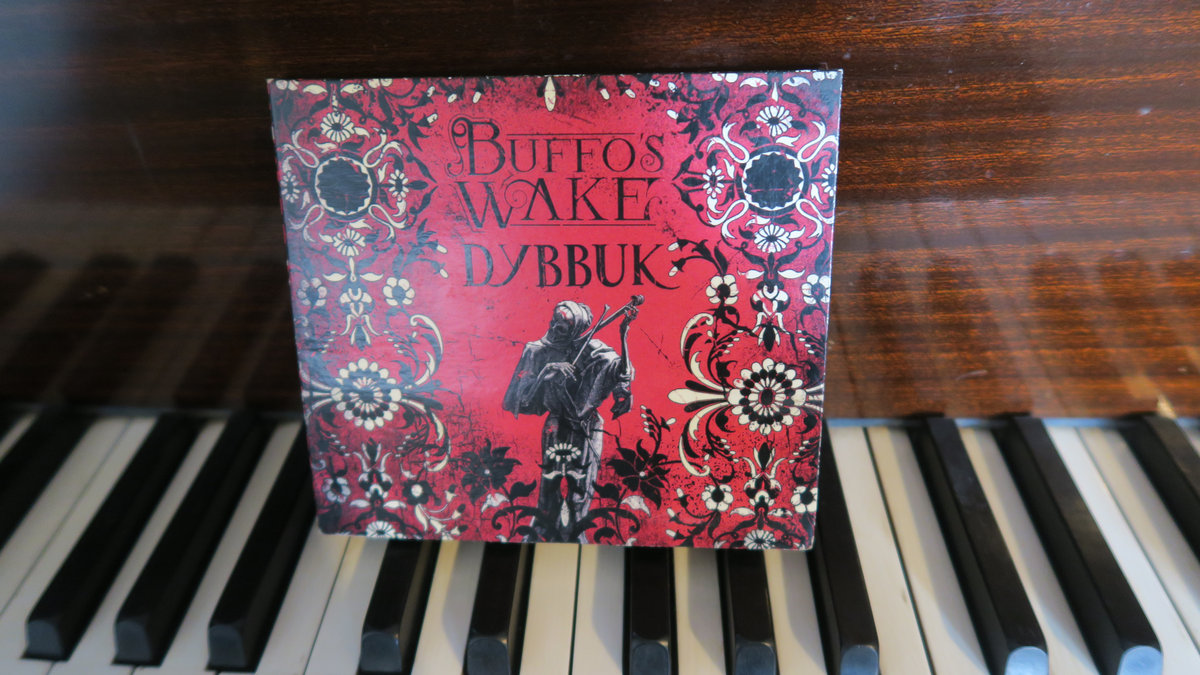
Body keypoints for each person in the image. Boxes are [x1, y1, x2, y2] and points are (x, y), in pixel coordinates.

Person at [502, 300, 634, 539]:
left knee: (582, 488)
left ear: (576, 330)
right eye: (554, 322)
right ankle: (542, 534)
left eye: (562, 328)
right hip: (555, 424)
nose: (554, 329)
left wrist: (623, 336)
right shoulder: (536, 351)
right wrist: (546, 372)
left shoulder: (592, 348)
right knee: (549, 487)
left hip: (587, 426)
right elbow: (522, 398)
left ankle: (575, 535)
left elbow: (621, 372)